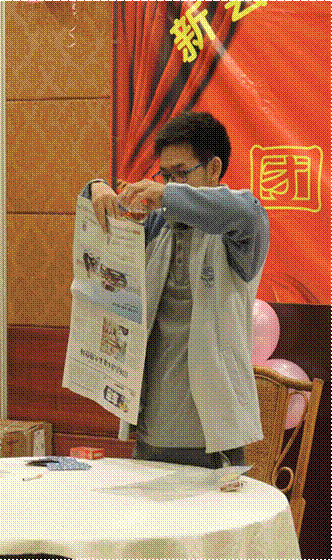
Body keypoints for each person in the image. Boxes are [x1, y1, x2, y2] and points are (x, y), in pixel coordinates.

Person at [83, 111, 270, 468]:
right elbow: (100, 233)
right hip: (151, 433)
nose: (167, 185)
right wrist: (96, 187)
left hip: (213, 438)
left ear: (214, 169)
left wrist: (169, 194)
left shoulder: (240, 232)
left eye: (181, 173)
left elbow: (247, 211)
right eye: (165, 176)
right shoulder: (155, 224)